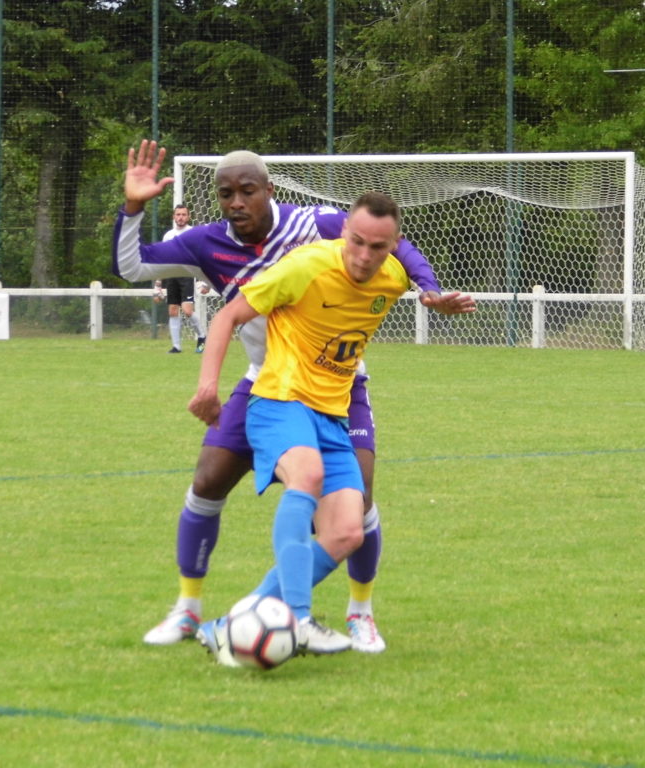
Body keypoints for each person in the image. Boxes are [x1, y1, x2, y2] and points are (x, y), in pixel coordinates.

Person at [112, 140, 474, 653]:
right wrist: (132, 207)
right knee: (209, 480)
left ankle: (359, 613)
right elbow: (132, 267)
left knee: (356, 506)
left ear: (269, 190)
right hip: (269, 382)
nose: (237, 202)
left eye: (247, 191)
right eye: (226, 194)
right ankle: (190, 610)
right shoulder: (205, 244)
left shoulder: (318, 225)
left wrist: (427, 287)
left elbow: (395, 242)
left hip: (339, 388)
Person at [188, 191, 436, 662]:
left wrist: (435, 297)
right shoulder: (305, 266)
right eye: (356, 241)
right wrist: (207, 386)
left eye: (377, 247)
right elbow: (228, 316)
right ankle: (299, 619)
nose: (363, 256)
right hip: (279, 401)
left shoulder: (394, 278)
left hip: (332, 415)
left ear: (394, 246)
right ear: (344, 232)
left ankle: (230, 625)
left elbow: (417, 271)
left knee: (347, 532)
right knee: (308, 475)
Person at [158, 205, 208, 353]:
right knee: (173, 310)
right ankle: (176, 346)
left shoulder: (193, 233)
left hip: (187, 275)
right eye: (178, 214)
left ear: (188, 217)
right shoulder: (168, 235)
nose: (180, 217)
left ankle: (202, 336)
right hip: (172, 275)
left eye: (183, 214)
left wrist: (204, 280)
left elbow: (202, 257)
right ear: (173, 217)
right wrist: (158, 283)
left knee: (187, 310)